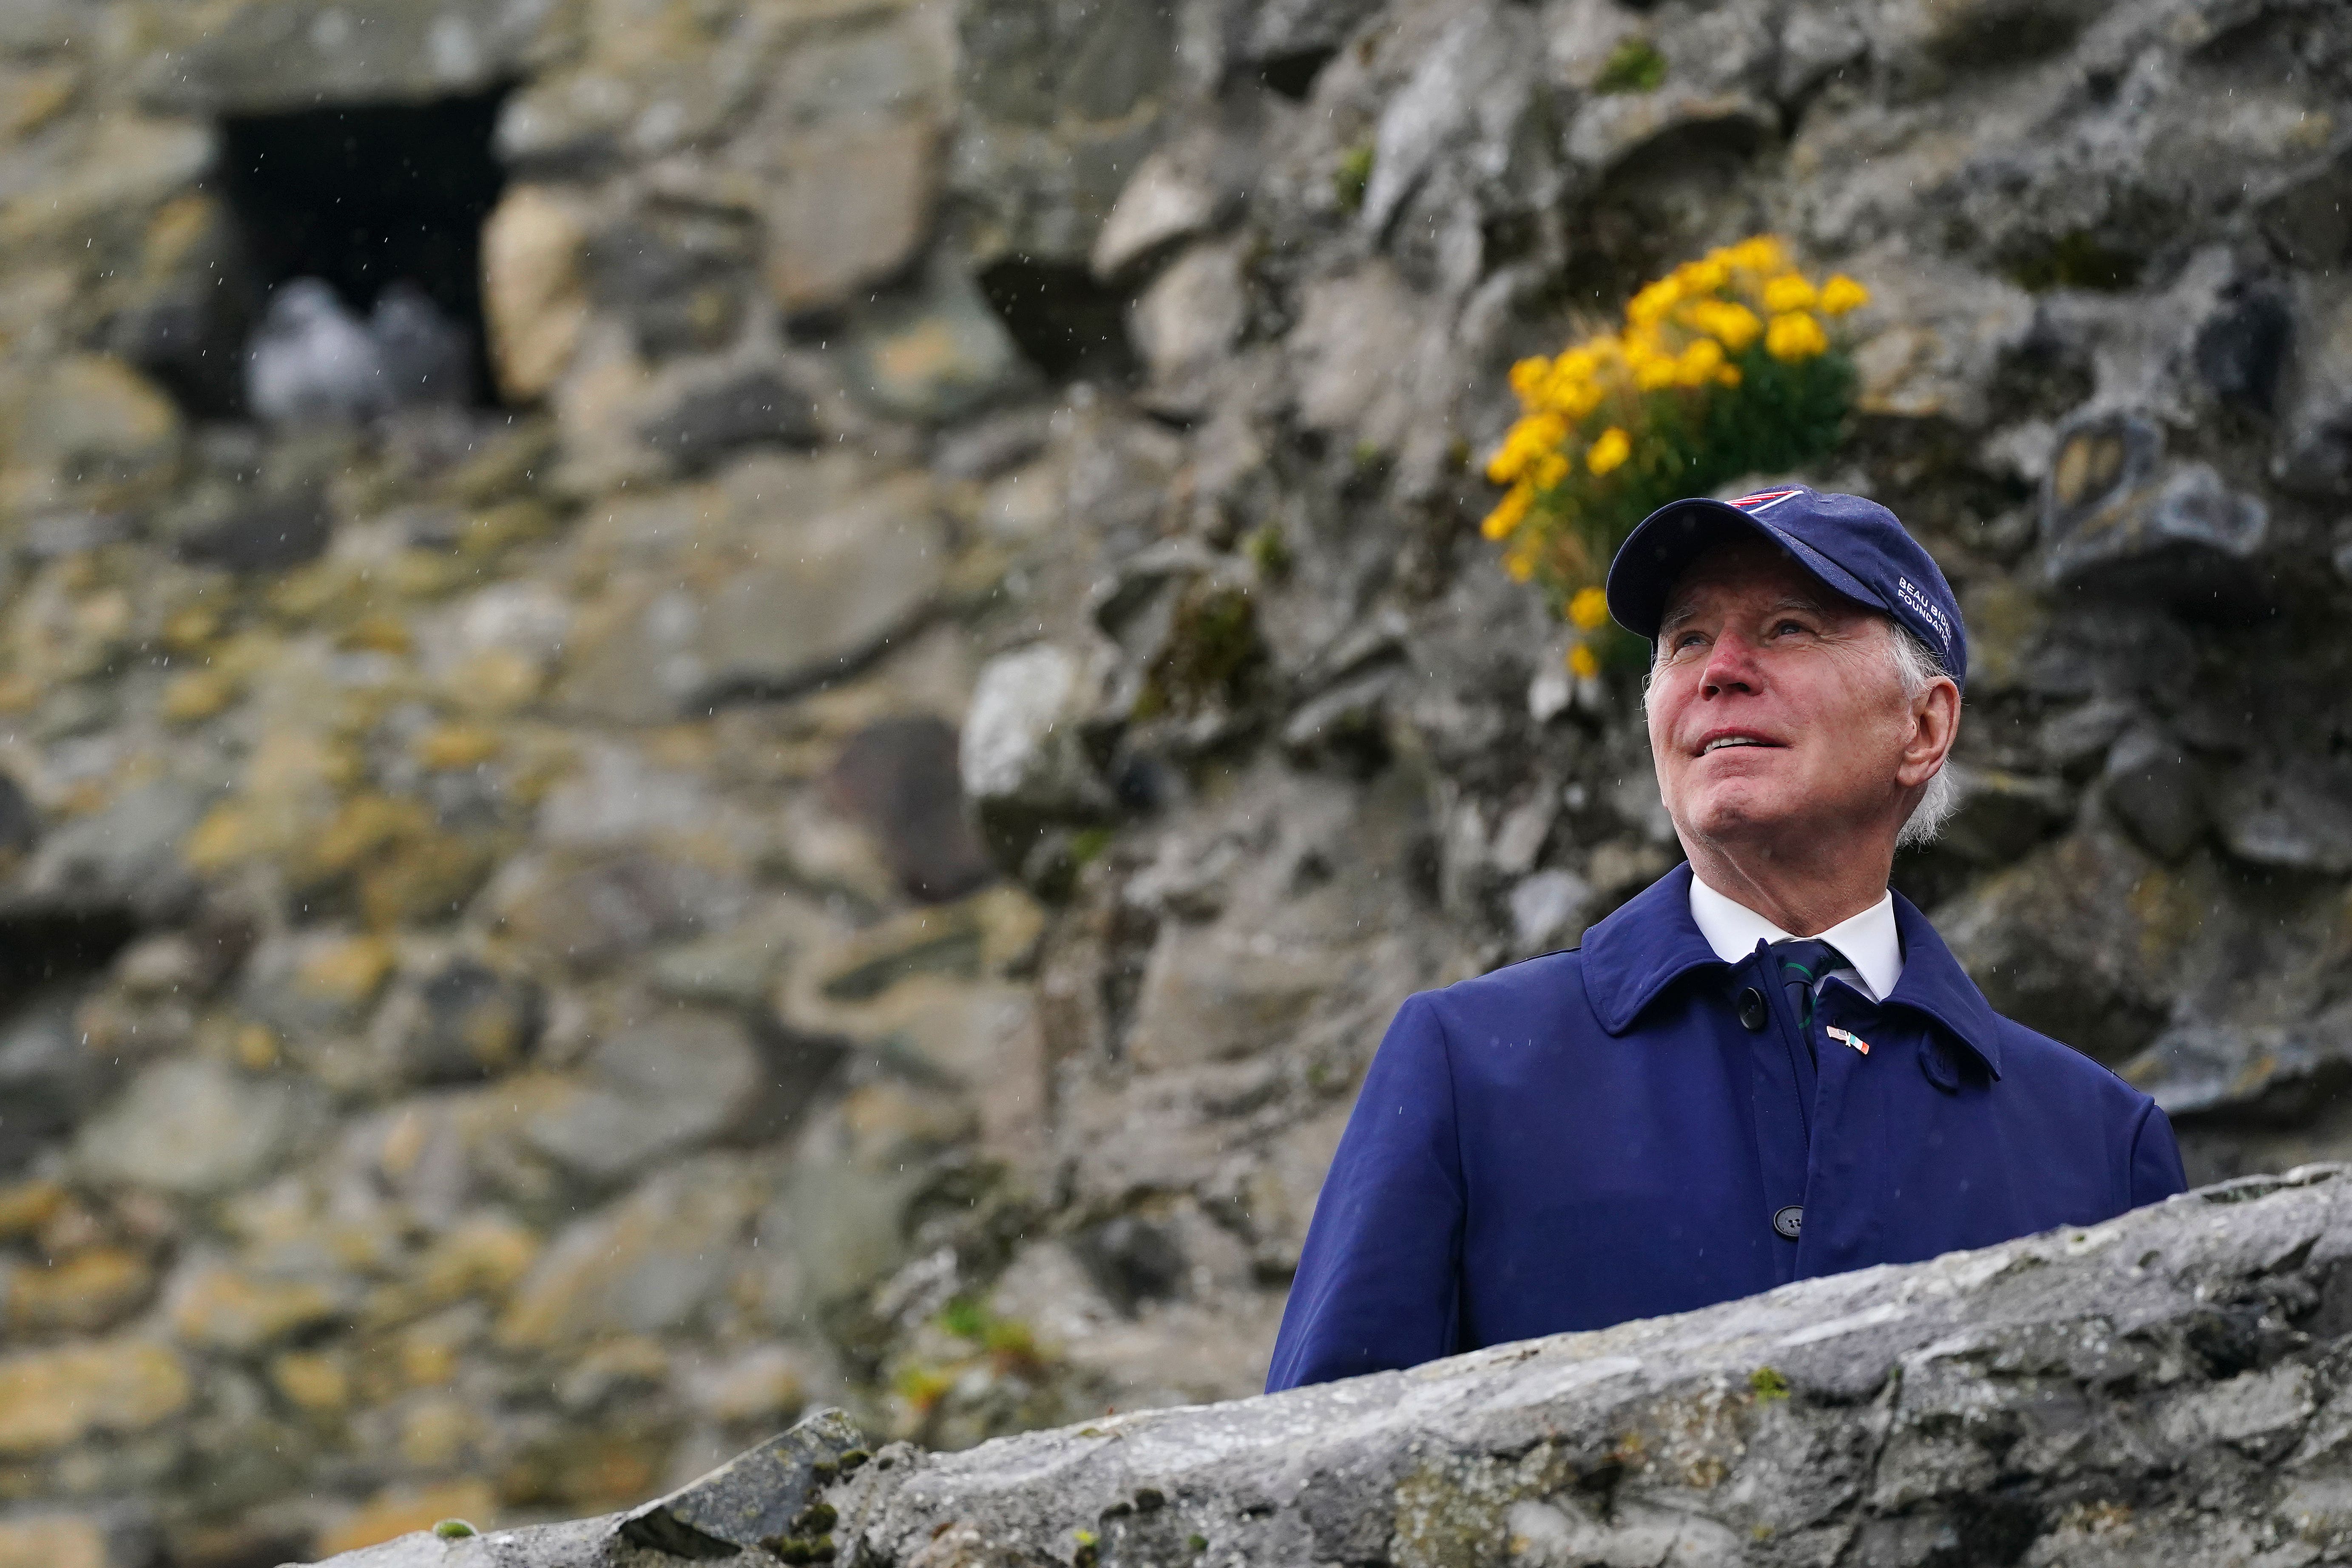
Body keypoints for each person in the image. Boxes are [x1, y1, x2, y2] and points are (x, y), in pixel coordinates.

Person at [1265, 485, 2186, 1393]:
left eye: (1788, 627)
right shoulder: (1469, 1067)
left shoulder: (2101, 1147)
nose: (1720, 669)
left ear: (1925, 725)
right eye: (1687, 639)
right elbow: (1305, 1477)